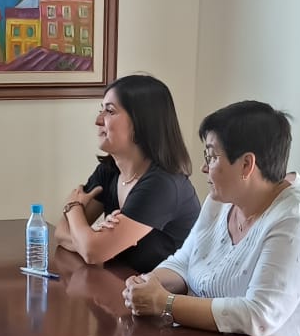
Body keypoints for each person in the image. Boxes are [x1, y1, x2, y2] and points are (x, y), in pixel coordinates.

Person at [124, 101, 300, 336]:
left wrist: (165, 303)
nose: (204, 167)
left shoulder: (296, 219)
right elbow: (186, 260)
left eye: (212, 156)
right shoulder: (222, 198)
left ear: (247, 164)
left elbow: (258, 315)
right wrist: (147, 284)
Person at [55, 74, 201, 273]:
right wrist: (88, 239)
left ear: (142, 122)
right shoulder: (109, 170)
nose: (98, 120)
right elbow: (62, 233)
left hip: (164, 299)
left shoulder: (162, 184)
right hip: (121, 290)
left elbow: (92, 251)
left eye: (109, 111)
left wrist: (73, 206)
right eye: (101, 110)